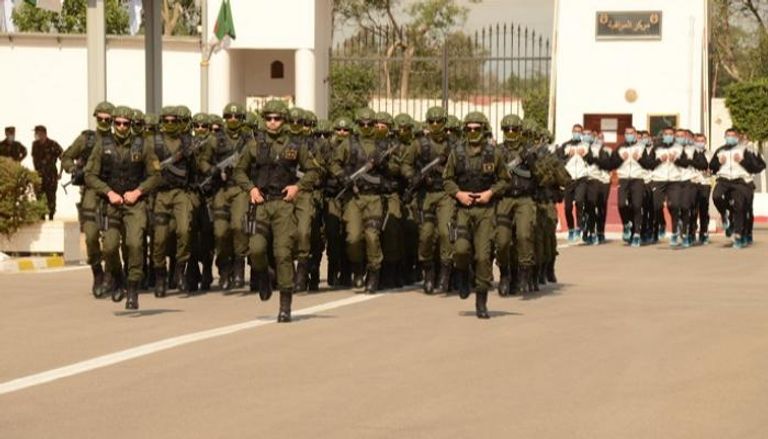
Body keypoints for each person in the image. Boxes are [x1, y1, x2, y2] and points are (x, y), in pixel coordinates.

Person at [233, 98, 320, 323]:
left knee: (283, 254)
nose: (272, 122)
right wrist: (250, 188)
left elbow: (313, 171)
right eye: (269, 118)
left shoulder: (296, 144)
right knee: (256, 249)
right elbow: (239, 171)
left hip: (283, 205)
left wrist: (297, 187)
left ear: (284, 121)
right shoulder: (254, 144)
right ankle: (263, 276)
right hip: (261, 204)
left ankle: (285, 305)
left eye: (277, 118)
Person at [85, 106, 160, 309]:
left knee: (135, 244)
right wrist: (108, 192)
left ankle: (133, 289)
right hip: (111, 204)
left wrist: (138, 192)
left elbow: (155, 176)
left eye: (125, 124)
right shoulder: (102, 145)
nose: (121, 127)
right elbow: (90, 175)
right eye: (117, 123)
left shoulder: (142, 145)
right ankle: (117, 278)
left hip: (135, 205)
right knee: (109, 247)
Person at [442, 112, 510, 319]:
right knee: (461, 250)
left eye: (477, 129)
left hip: (486, 211)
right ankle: (462, 273)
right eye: (469, 129)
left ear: (484, 129)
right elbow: (447, 180)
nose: (473, 132)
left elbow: (504, 180)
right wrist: (459, 194)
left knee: (483, 256)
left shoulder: (494, 153)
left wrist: (490, 193)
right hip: (463, 209)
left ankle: (481, 300)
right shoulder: (457, 152)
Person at [330, 108, 399, 293]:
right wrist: (342, 176)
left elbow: (396, 167)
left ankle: (374, 272)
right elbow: (334, 163)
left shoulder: (383, 145)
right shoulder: (349, 144)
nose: (367, 127)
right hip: (354, 196)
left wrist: (384, 164)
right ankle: (357, 268)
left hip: (374, 198)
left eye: (370, 124)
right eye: (363, 124)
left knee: (372, 236)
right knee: (353, 238)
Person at [62, 101, 115, 297]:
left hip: (111, 191)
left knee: (112, 239)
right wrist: (73, 169)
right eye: (100, 118)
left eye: (107, 119)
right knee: (91, 237)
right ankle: (97, 273)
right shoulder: (87, 139)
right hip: (91, 192)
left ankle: (111, 274)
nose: (103, 122)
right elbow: (66, 157)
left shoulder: (119, 138)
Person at [198, 103, 254, 290]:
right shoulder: (215, 139)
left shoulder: (249, 140)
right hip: (221, 189)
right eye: (229, 116)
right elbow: (203, 162)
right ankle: (224, 268)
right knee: (220, 232)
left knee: (239, 226)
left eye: (236, 117)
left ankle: (239, 265)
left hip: (239, 189)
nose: (233, 120)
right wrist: (214, 171)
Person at [401, 106, 456, 294]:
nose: (435, 125)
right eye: (431, 122)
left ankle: (445, 275)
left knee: (446, 233)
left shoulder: (454, 145)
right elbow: (406, 165)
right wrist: (413, 176)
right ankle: (428, 272)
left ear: (444, 123)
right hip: (425, 194)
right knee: (425, 236)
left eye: (438, 122)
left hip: (446, 194)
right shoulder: (419, 144)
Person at [493, 114, 536, 295]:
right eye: (507, 130)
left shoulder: (529, 150)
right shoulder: (497, 152)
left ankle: (524, 274)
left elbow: (539, 175)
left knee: (524, 235)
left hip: (524, 199)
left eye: (514, 130)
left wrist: (531, 160)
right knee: (502, 241)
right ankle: (505, 273)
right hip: (504, 199)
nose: (511, 133)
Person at [710, 128, 766, 248]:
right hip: (724, 180)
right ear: (725, 137)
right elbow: (712, 168)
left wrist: (742, 161)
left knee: (741, 207)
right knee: (716, 196)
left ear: (737, 137)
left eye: (733, 136)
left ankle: (740, 234)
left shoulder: (746, 150)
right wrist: (719, 163)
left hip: (741, 181)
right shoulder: (720, 150)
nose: (730, 138)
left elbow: (756, 167)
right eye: (728, 135)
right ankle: (724, 214)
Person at [612, 126, 646, 247]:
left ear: (636, 134)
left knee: (637, 206)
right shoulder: (620, 148)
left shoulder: (642, 148)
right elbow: (613, 163)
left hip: (638, 179)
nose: (629, 135)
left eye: (631, 133)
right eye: (627, 133)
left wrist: (640, 159)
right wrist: (621, 159)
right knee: (621, 204)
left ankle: (636, 233)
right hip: (624, 178)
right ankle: (626, 224)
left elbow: (649, 163)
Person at [556, 124, 587, 241]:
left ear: (582, 133)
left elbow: (593, 160)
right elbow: (558, 160)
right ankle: (571, 229)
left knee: (579, 201)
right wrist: (566, 155)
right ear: (572, 131)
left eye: (579, 131)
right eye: (575, 131)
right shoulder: (565, 145)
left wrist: (586, 155)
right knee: (568, 207)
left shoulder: (585, 146)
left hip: (581, 178)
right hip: (568, 180)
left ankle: (579, 227)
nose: (577, 133)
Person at [31, 125, 63, 220]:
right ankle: (41, 217)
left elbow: (63, 158)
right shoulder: (35, 144)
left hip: (51, 176)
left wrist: (60, 173)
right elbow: (35, 159)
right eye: (35, 133)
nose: (35, 135)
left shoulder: (53, 144)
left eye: (37, 133)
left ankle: (51, 217)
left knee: (51, 197)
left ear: (43, 134)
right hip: (39, 176)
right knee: (40, 197)